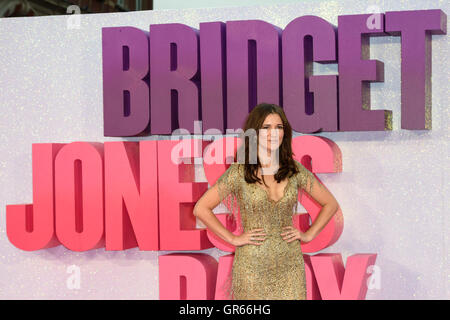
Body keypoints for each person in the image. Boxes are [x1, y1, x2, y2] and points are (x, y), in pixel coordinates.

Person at [193, 103, 340, 300]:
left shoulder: (294, 169)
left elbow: (330, 204)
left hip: (290, 267)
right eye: (266, 128)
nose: (274, 133)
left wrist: (308, 234)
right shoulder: (240, 171)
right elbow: (201, 208)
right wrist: (233, 239)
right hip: (251, 267)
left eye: (279, 128)